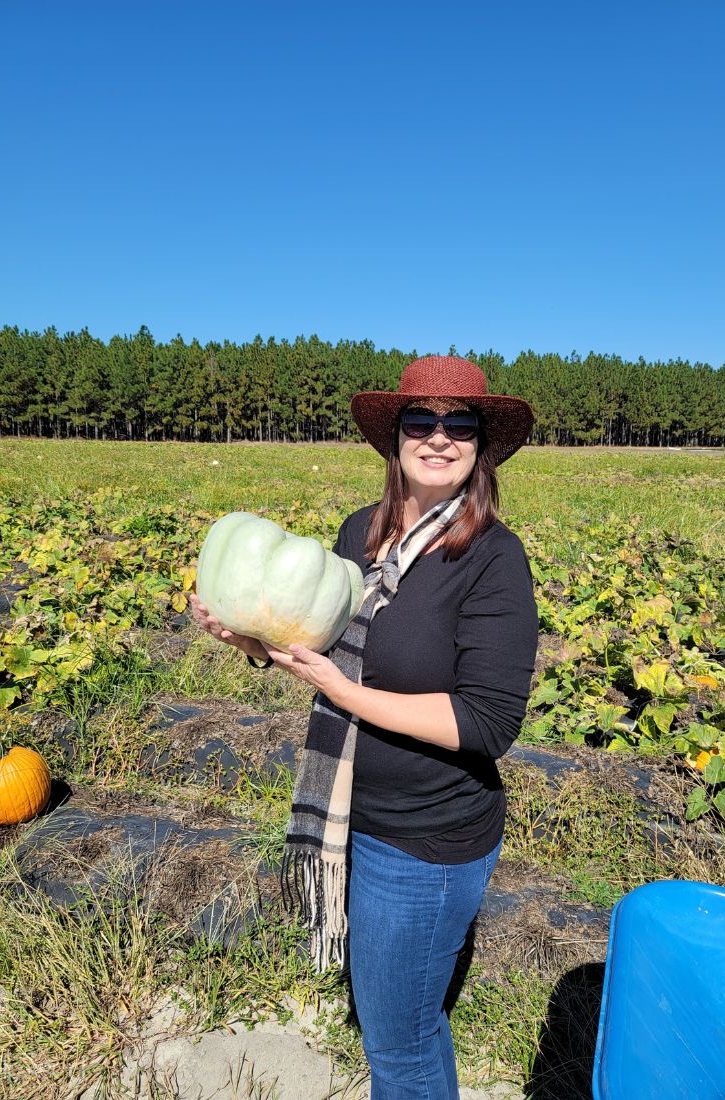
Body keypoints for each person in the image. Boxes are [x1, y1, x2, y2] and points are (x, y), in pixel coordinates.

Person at [190, 355, 539, 1100]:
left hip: (428, 841)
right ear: (396, 438)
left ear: (481, 445)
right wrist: (246, 640)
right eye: (422, 421)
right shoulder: (362, 534)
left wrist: (342, 690)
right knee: (398, 1024)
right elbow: (317, 645)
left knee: (401, 1045)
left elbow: (486, 722)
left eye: (459, 424)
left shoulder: (494, 560)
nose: (439, 438)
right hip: (357, 819)